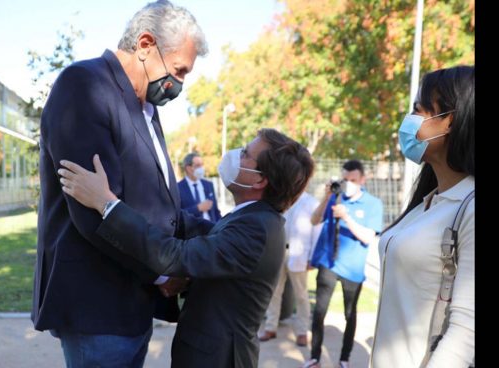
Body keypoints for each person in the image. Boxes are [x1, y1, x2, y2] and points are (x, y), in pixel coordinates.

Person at [30, 1, 209, 367]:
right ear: (145, 45)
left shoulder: (144, 105)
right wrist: (162, 272)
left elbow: (159, 205)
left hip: (133, 299)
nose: (179, 84)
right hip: (98, 306)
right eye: (179, 70)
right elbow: (90, 211)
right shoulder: (84, 85)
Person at [57, 128, 314, 368]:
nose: (237, 154)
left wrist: (107, 204)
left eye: (246, 154)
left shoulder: (257, 227)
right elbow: (201, 234)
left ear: (260, 181)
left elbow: (173, 256)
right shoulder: (255, 217)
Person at [370, 65, 474, 368]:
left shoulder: (470, 207)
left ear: (451, 121)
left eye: (420, 109)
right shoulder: (428, 203)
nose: (410, 120)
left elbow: (467, 331)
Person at [303, 160, 384, 368]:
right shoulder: (335, 197)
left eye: (353, 180)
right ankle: (314, 358)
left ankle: (344, 359)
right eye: (345, 179)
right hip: (329, 263)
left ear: (362, 180)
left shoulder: (373, 204)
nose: (348, 184)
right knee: (319, 312)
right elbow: (314, 220)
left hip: (353, 269)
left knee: (350, 314)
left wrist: (346, 217)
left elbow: (367, 237)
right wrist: (326, 197)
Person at [259, 190, 321, 347]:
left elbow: (316, 230)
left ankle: (302, 331)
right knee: (274, 291)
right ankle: (270, 326)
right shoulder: (280, 198)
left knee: (301, 294)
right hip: (278, 251)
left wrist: (312, 257)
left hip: (299, 253)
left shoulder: (311, 202)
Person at [178, 152, 222, 222]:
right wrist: (197, 208)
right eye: (198, 165)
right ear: (188, 168)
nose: (201, 168)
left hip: (212, 229)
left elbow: (216, 210)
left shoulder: (208, 185)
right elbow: (177, 214)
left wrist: (221, 226)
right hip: (192, 230)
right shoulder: (178, 188)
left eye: (202, 165)